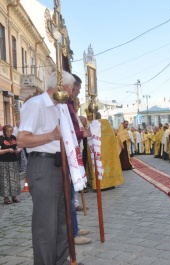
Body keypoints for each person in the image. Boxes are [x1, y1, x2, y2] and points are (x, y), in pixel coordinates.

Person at [17, 70, 75, 265]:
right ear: (63, 87)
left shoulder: (60, 106)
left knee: (61, 219)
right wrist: (51, 136)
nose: (73, 93)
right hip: (43, 165)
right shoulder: (36, 104)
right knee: (45, 222)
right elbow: (22, 139)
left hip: (59, 165)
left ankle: (60, 260)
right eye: (72, 88)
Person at [68, 74, 91, 244]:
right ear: (72, 87)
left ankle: (75, 227)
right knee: (69, 196)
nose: (79, 93)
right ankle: (73, 232)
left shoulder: (70, 106)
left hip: (74, 150)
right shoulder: (65, 106)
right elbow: (68, 131)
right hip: (67, 154)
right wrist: (84, 133)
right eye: (78, 89)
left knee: (71, 193)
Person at [0, 125, 22, 204]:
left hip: (14, 161)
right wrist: (7, 150)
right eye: (7, 132)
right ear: (4, 132)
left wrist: (18, 150)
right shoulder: (1, 138)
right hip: (4, 162)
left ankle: (14, 196)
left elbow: (19, 146)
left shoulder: (13, 137)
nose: (9, 133)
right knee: (5, 180)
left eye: (10, 132)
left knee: (14, 179)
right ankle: (6, 198)